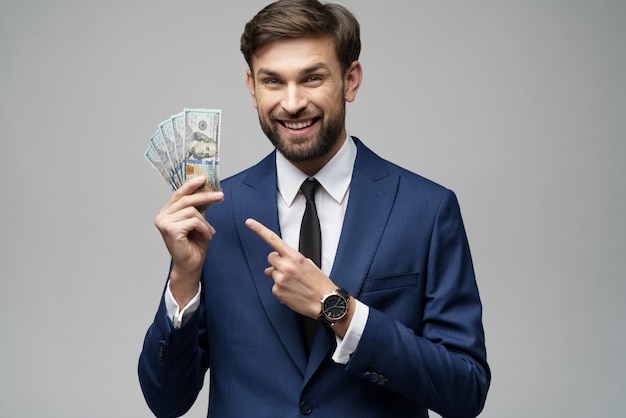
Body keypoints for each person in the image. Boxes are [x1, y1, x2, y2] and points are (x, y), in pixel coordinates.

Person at [138, 0, 490, 416]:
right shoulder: (213, 212)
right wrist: (183, 278)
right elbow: (166, 401)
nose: (291, 103)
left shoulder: (427, 210)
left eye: (312, 78)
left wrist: (338, 309)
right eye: (273, 81)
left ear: (350, 80)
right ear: (252, 87)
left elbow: (465, 392)